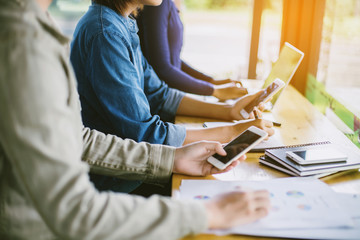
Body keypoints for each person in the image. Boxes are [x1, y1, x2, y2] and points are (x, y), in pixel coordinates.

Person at [0, 0, 271, 239]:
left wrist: (222, 117)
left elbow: (81, 134)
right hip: (107, 190)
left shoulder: (118, 23)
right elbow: (74, 210)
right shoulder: (84, 33)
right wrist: (206, 212)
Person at [70, 0, 274, 150]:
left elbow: (160, 95)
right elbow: (144, 134)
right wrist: (232, 132)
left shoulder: (121, 22)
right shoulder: (106, 34)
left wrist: (229, 112)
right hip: (120, 182)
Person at [137, 0, 247, 101]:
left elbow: (173, 60)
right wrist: (214, 90)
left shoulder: (165, 3)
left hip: (172, 96)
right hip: (162, 100)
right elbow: (162, 68)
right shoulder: (158, 4)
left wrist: (210, 81)